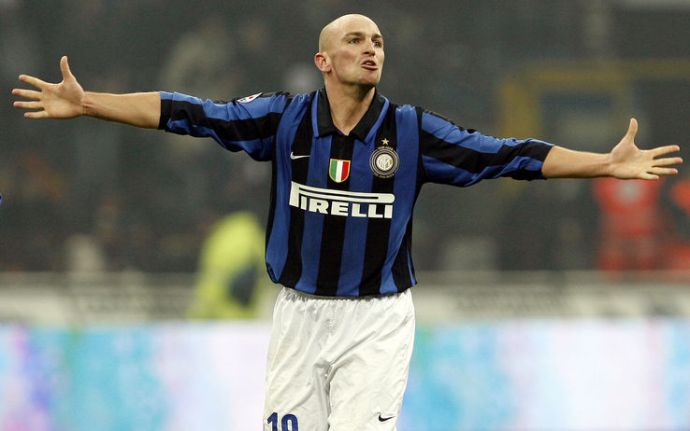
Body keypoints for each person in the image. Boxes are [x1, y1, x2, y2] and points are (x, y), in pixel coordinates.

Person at [12, 13, 682, 431]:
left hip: (377, 320)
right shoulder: (283, 119)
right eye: (355, 39)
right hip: (299, 314)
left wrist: (604, 163)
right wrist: (91, 102)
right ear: (323, 61)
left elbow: (508, 155)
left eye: (378, 40)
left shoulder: (412, 132)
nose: (371, 48)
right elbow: (189, 112)